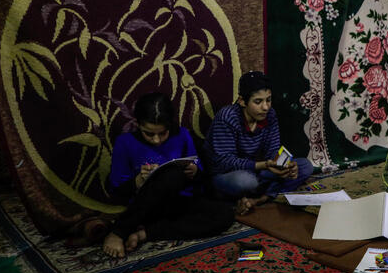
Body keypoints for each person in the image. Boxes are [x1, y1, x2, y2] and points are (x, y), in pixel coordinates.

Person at [102, 92, 234, 258]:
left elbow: (200, 176)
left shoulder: (182, 135)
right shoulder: (125, 142)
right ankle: (119, 232)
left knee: (225, 214)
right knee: (171, 175)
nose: (156, 140)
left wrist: (194, 172)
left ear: (170, 125)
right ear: (138, 124)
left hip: (177, 202)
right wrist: (138, 180)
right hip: (144, 207)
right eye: (149, 133)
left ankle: (144, 234)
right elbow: (117, 189)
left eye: (162, 133)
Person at [203, 71, 313, 215]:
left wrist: (285, 165)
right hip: (227, 174)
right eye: (258, 101)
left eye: (268, 100)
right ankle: (259, 193)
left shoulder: (270, 115)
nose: (265, 107)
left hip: (257, 169)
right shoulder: (227, 117)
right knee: (247, 181)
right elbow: (225, 162)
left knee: (305, 166)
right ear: (242, 101)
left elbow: (273, 151)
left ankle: (258, 199)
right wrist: (264, 165)